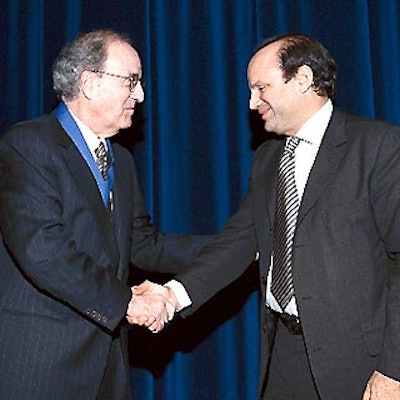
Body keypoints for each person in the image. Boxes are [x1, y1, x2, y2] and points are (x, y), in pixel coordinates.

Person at [128, 34, 400, 399]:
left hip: (360, 364)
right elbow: (240, 241)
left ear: (302, 79)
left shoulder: (379, 147)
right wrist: (171, 296)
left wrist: (392, 370)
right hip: (283, 356)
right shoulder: (269, 158)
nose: (252, 102)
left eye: (261, 88)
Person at [0, 29, 209, 400]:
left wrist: (234, 247)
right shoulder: (28, 144)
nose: (141, 95)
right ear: (90, 83)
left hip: (108, 364)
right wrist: (128, 301)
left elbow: (143, 246)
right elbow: (44, 251)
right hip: (41, 361)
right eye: (131, 81)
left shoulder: (121, 160)